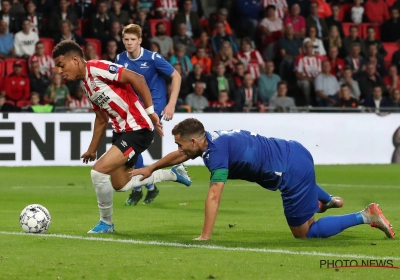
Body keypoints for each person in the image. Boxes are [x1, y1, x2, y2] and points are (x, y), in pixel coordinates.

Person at [131, 118, 395, 240]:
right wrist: (151, 168)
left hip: (290, 171)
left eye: (180, 144)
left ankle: (366, 215)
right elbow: (180, 157)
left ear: (193, 141)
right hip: (295, 151)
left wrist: (205, 235)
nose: (178, 149)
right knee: (299, 183)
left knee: (304, 233)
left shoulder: (216, 155)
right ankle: (327, 200)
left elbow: (214, 194)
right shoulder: (212, 138)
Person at [52, 40, 190, 233]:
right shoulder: (87, 84)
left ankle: (106, 224)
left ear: (75, 60)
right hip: (121, 131)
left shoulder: (98, 68)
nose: (59, 71)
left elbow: (138, 79)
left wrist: (150, 112)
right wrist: (92, 150)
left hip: (138, 127)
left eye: (61, 65)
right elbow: (101, 119)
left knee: (98, 172)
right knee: (121, 184)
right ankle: (172, 173)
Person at [115, 24, 182, 206]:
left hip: (153, 108)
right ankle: (150, 187)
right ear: (123, 40)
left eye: (133, 40)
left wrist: (171, 104)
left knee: (131, 146)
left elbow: (176, 76)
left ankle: (138, 189)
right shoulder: (120, 59)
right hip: (132, 109)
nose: (129, 43)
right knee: (130, 148)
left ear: (140, 40)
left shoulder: (153, 58)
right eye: (126, 40)